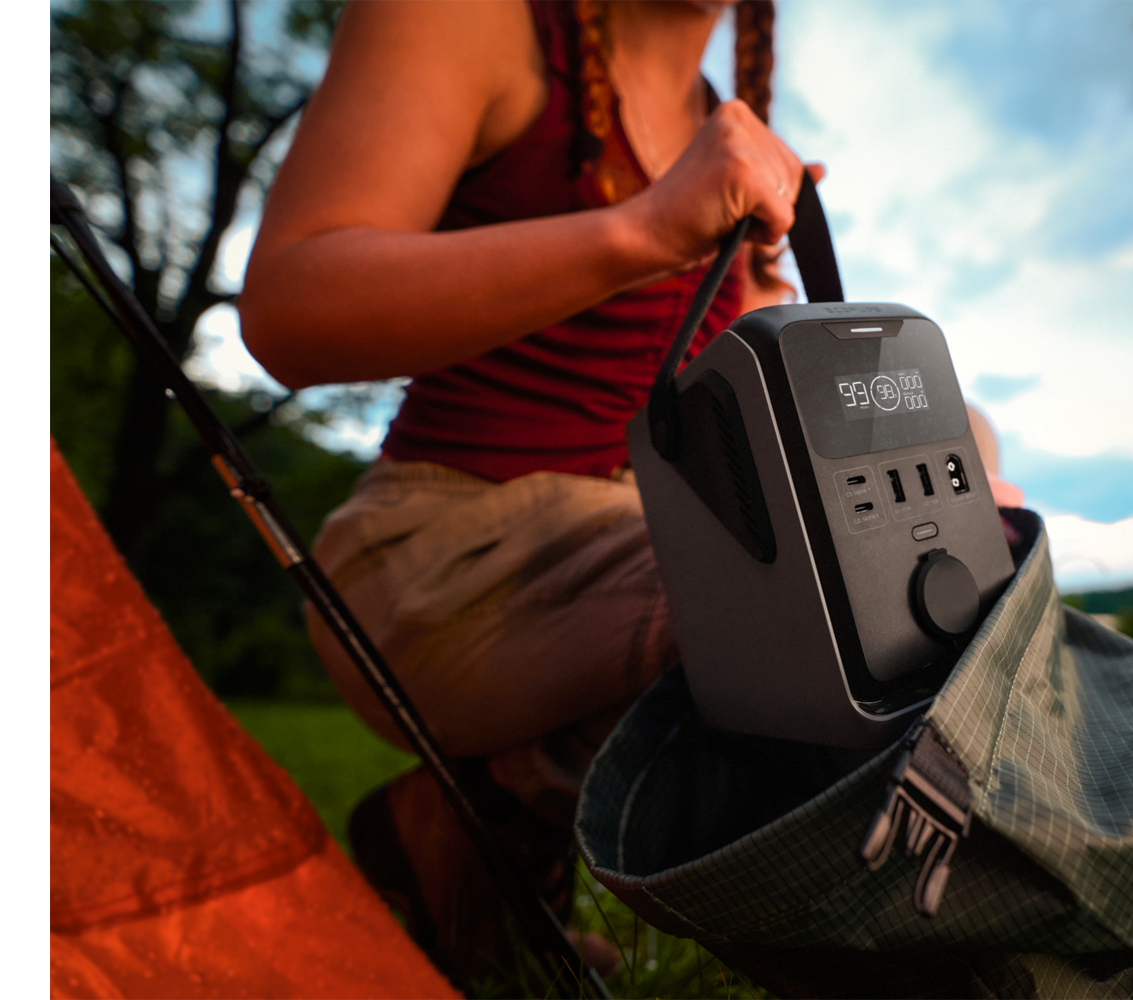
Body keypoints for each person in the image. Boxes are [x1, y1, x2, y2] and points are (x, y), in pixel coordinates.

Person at [238, 0, 814, 981]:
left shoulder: (733, 129)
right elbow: (288, 306)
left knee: (925, 502)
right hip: (438, 556)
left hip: (617, 541)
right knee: (787, 602)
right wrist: (642, 230)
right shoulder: (474, 20)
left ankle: (476, 838)